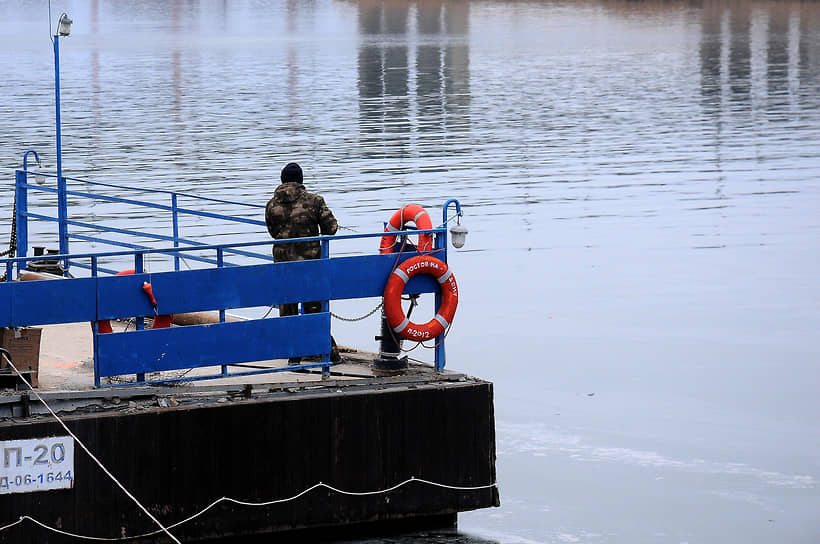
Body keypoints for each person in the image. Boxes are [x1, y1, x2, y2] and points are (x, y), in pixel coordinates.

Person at [265, 162, 340, 363]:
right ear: (301, 180)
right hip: (311, 265)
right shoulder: (315, 201)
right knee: (315, 308)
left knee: (288, 310)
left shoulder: (272, 204)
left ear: (282, 179)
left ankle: (294, 356)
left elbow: (273, 232)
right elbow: (331, 228)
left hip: (283, 265)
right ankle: (327, 352)